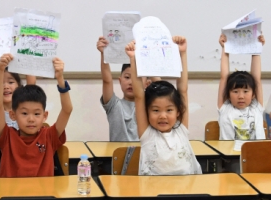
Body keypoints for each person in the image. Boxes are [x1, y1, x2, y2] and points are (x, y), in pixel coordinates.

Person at [125, 36, 202, 175]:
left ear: (178, 112)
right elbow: (139, 96)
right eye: (155, 110)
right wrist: (133, 58)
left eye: (169, 110)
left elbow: (182, 89)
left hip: (186, 192)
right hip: (155, 193)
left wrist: (182, 53)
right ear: (146, 112)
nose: (162, 116)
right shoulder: (147, 134)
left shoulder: (181, 130)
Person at [0, 53, 72, 177]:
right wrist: (0, 70)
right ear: (13, 115)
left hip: (43, 195)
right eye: (24, 113)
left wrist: (60, 78)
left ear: (44, 116)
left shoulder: (49, 136)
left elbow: (67, 110)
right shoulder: (7, 136)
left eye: (36, 114)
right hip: (10, 195)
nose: (31, 119)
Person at [96, 37, 159, 141]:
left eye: (137, 78)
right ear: (120, 81)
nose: (131, 82)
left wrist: (147, 60)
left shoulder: (150, 105)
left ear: (147, 84)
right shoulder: (113, 104)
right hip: (118, 156)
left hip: (143, 156)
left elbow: (161, 87)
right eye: (127, 77)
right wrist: (104, 54)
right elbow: (107, 80)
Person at [0, 43, 36, 142]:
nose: (6, 86)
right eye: (0, 83)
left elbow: (31, 83)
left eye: (11, 82)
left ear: (20, 87)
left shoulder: (25, 107)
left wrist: (25, 54)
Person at [218, 34, 266, 140]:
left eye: (245, 91)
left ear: (253, 94)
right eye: (235, 91)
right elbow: (224, 77)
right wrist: (225, 48)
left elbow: (256, 78)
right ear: (228, 94)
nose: (240, 96)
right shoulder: (225, 108)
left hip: (255, 155)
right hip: (229, 156)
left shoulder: (256, 107)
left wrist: (256, 48)